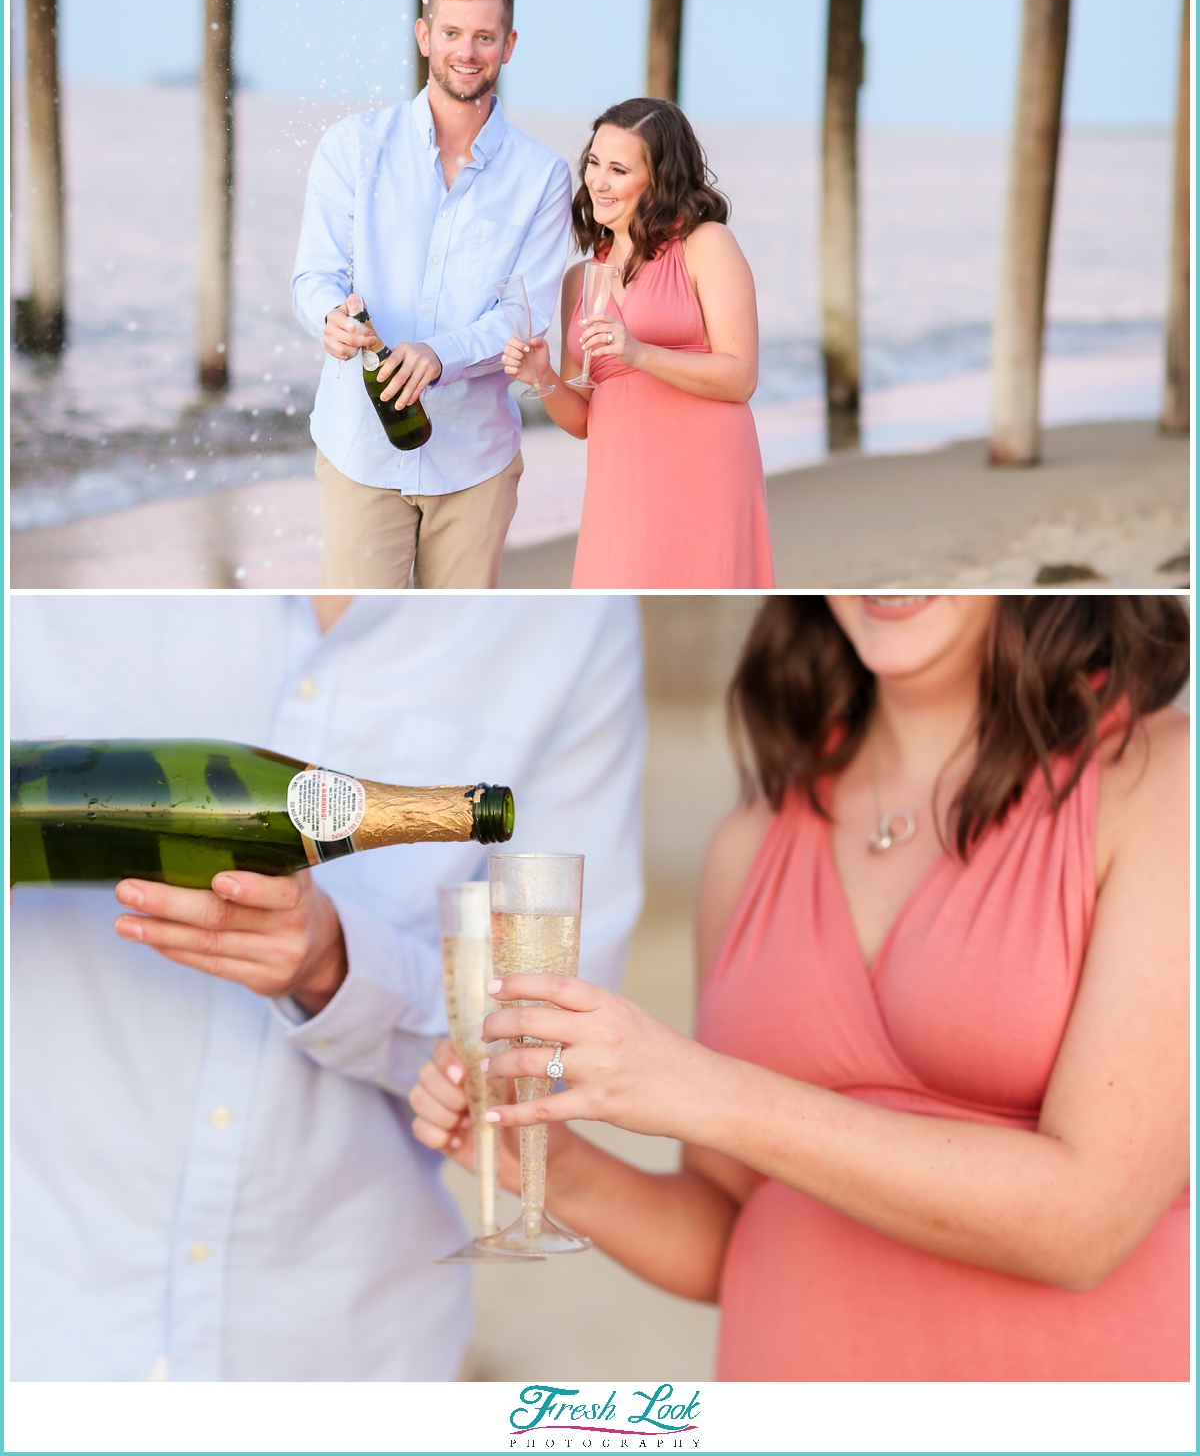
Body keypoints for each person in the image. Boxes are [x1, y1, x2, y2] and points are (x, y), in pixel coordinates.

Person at [413, 595, 1190, 1381]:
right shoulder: (751, 839)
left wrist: (703, 1088)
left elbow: (1090, 1222)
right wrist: (556, 1167)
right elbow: (731, 1233)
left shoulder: (1163, 780)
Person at [9, 592, 644, 1381]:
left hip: (342, 1349)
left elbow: (551, 1037)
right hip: (44, 1321)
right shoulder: (49, 569)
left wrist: (339, 968)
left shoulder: (569, 623)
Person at [293, 0, 572, 589]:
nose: (466, 52)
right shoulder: (352, 147)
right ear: (424, 37)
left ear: (508, 45)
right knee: (365, 640)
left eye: (483, 36)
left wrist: (438, 354)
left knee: (460, 648)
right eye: (451, 34)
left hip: (475, 459)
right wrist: (330, 319)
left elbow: (522, 316)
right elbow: (315, 273)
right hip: (359, 446)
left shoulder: (543, 177)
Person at [502, 98, 774, 590]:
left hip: (704, 470)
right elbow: (582, 419)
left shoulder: (707, 244)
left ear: (659, 178)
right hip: (620, 480)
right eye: (593, 163)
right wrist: (541, 376)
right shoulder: (579, 280)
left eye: (619, 169)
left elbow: (741, 376)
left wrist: (639, 353)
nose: (598, 182)